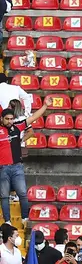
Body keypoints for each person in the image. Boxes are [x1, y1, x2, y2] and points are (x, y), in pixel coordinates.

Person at [0, 96, 51, 225]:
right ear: (2, 119)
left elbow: (33, 117)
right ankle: (7, 221)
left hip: (17, 166)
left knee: (22, 193)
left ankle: (25, 219)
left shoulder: (18, 127)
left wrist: (45, 106)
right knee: (4, 196)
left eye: (11, 119)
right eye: (7, 119)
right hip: (2, 168)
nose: (10, 121)